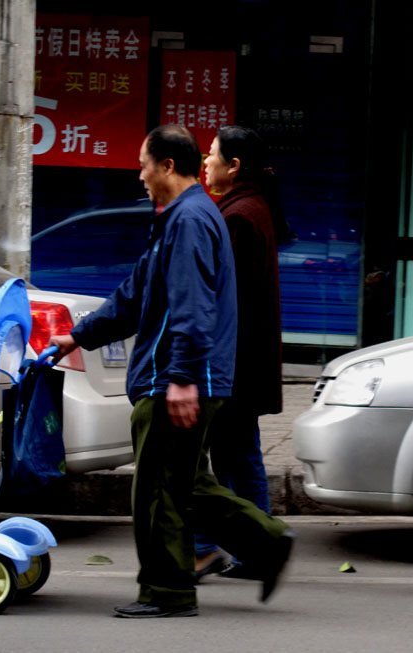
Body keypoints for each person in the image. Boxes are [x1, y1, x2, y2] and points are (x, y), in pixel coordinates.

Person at [50, 124, 293, 619]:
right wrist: (79, 336)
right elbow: (135, 292)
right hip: (175, 377)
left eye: (143, 164)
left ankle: (168, 592)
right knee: (178, 483)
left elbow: (193, 305)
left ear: (166, 166)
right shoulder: (179, 218)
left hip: (177, 380)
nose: (138, 176)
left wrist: (182, 377)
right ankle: (265, 544)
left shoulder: (190, 221)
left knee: (158, 492)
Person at [194, 126, 287, 579]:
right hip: (242, 361)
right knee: (236, 457)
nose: (206, 163)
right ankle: (256, 549)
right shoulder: (249, 208)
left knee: (207, 460)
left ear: (234, 166)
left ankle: (217, 548)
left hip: (231, 362)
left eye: (212, 155)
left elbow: (217, 298)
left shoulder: (237, 217)